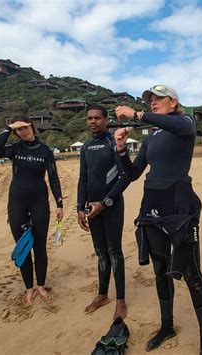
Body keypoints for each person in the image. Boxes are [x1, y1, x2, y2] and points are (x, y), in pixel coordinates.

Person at [114, 85, 202, 355]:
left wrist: (136, 114)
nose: (153, 103)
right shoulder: (151, 138)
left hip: (180, 206)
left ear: (173, 101)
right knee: (160, 271)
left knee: (192, 274)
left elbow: (173, 125)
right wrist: (122, 149)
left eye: (158, 98)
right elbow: (133, 174)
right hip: (152, 207)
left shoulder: (185, 124)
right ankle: (167, 326)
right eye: (150, 100)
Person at [0, 116, 63, 304]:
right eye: (18, 130)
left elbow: (53, 178)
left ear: (32, 126)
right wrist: (8, 128)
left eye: (25, 127)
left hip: (39, 201)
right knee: (22, 246)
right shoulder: (15, 149)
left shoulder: (45, 151)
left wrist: (59, 203)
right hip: (17, 203)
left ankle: (40, 284)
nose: (23, 131)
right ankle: (28, 287)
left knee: (39, 246)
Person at [77, 104, 130, 319]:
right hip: (92, 208)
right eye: (89, 118)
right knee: (100, 252)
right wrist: (80, 207)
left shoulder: (112, 143)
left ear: (106, 120)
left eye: (97, 118)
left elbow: (125, 177)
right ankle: (102, 295)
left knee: (114, 252)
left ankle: (120, 300)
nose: (92, 122)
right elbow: (83, 179)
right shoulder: (86, 147)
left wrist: (106, 202)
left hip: (112, 205)